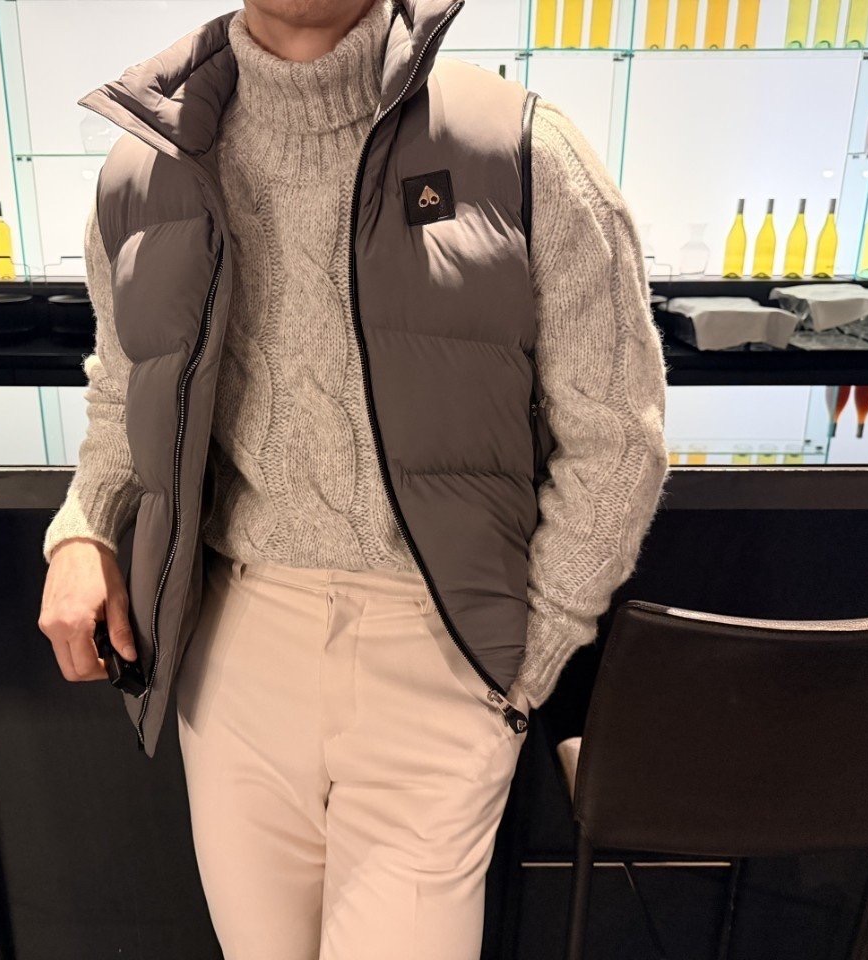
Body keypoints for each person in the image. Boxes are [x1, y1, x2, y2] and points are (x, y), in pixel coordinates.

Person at [38, 0, 667, 956]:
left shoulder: (524, 152)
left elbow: (618, 437)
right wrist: (83, 527)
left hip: (443, 648)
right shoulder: (144, 168)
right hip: (234, 647)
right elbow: (127, 389)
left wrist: (525, 664)